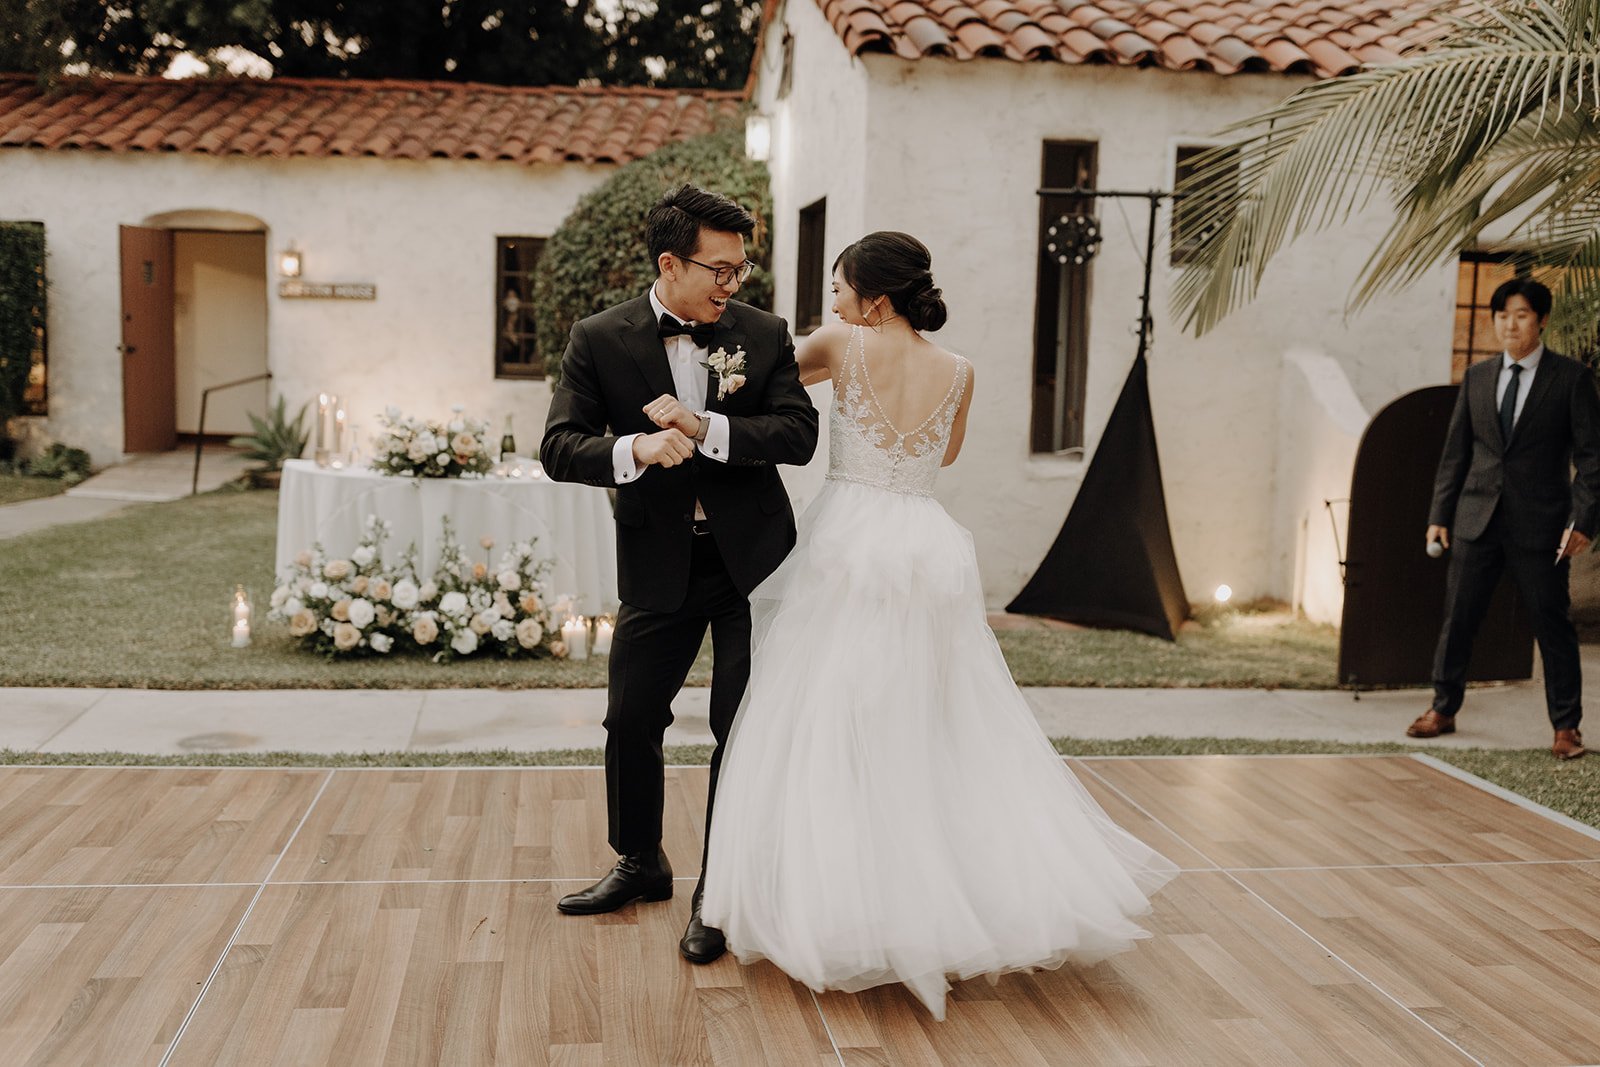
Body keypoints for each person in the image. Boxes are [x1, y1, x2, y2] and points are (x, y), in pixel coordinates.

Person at [699, 232, 1177, 1020]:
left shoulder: (842, 344)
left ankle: (840, 902)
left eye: (843, 286)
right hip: (925, 546)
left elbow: (767, 376)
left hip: (852, 541)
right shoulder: (961, 370)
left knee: (828, 711)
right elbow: (944, 455)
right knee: (927, 720)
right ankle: (937, 896)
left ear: (874, 300)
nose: (835, 300)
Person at [540, 184, 819, 962]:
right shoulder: (599, 337)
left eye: (740, 270)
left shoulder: (762, 334)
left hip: (754, 566)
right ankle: (640, 861)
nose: (733, 285)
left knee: (743, 726)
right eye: (719, 271)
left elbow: (799, 433)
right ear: (669, 262)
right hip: (658, 561)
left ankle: (719, 891)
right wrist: (633, 450)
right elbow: (559, 445)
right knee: (630, 716)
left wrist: (708, 427)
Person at [1411, 277, 1600, 759]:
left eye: (1520, 314)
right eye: (1502, 316)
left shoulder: (1570, 379)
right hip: (1477, 519)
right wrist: (1440, 513)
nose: (1509, 324)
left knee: (1552, 625)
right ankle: (1443, 708)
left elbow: (1592, 458)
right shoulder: (1477, 377)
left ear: (1541, 320)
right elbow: (1457, 453)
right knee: (1458, 619)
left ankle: (1566, 728)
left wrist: (1583, 521)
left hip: (1541, 526)